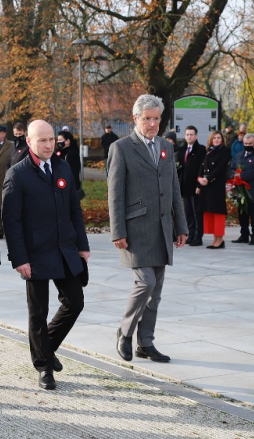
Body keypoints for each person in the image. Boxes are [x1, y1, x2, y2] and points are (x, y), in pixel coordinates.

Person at [2, 119, 89, 390]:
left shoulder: (63, 167)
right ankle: (43, 367)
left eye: (51, 139)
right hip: (35, 254)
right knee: (38, 312)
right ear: (29, 142)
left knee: (75, 302)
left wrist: (83, 245)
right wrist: (19, 259)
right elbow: (11, 222)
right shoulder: (17, 174)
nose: (49, 144)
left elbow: (75, 209)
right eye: (42, 140)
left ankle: (46, 349)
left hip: (66, 249)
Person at [107, 94, 187, 364]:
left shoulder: (166, 146)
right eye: (147, 119)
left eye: (156, 119)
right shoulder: (122, 148)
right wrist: (117, 230)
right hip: (135, 228)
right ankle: (125, 332)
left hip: (162, 227)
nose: (152, 124)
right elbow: (114, 193)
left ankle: (146, 343)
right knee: (146, 283)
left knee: (157, 290)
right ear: (135, 119)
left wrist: (181, 225)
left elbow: (174, 187)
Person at [231, 134, 254, 245]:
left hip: (252, 190)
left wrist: (241, 176)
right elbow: (232, 168)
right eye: (245, 144)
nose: (247, 145)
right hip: (240, 190)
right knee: (242, 214)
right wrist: (234, 176)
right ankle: (244, 235)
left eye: (250, 144)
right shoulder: (239, 155)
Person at [198, 131, 232, 248]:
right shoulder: (209, 151)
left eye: (219, 138)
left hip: (216, 184)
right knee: (209, 210)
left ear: (222, 139)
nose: (216, 140)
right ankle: (215, 238)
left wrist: (209, 178)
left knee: (218, 211)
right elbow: (203, 166)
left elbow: (221, 167)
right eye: (214, 138)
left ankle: (220, 238)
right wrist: (200, 179)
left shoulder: (225, 151)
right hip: (207, 185)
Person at [176, 125, 206, 246]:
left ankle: (198, 237)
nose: (189, 136)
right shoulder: (182, 150)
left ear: (196, 136)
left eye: (191, 134)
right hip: (184, 187)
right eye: (187, 134)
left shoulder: (201, 150)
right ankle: (191, 234)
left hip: (196, 187)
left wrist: (199, 185)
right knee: (187, 212)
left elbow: (202, 168)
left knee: (197, 212)